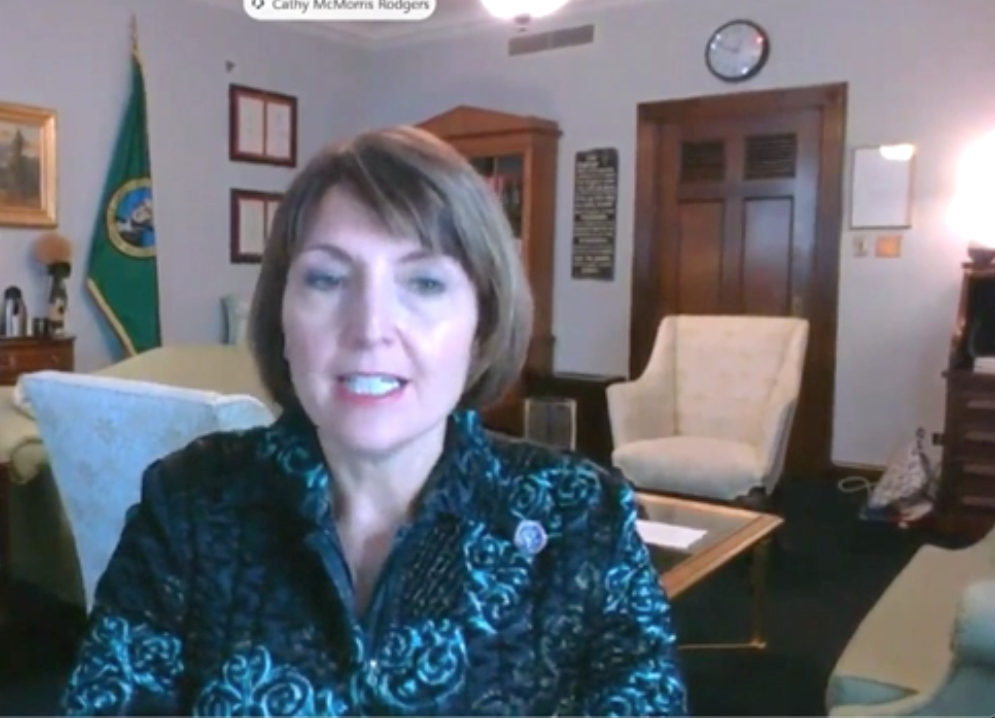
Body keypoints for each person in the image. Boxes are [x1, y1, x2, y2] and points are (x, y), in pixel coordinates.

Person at [59, 126, 688, 716]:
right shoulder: (189, 504)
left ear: (482, 323)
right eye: (328, 278)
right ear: (281, 316)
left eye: (424, 283)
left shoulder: (582, 519)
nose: (369, 328)